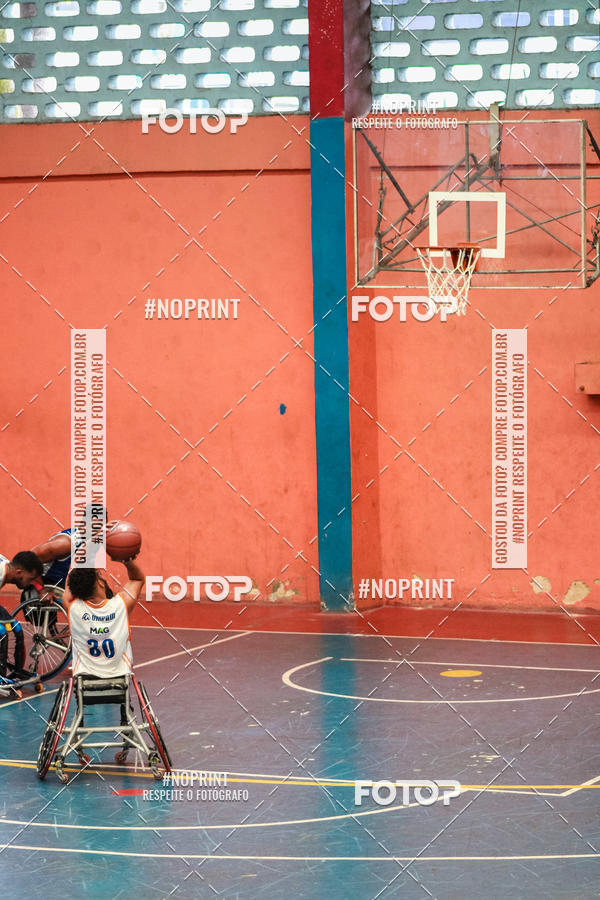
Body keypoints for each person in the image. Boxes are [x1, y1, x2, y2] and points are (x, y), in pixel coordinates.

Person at [62, 557, 144, 678]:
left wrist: (82, 553)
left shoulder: (73, 608)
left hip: (85, 678)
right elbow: (137, 579)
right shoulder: (121, 604)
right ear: (100, 583)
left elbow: (69, 588)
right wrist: (127, 558)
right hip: (119, 676)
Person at [0, 551, 44, 699]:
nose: (30, 583)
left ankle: (17, 671)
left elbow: (33, 577)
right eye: (29, 579)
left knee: (16, 628)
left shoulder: (8, 567)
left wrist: (40, 589)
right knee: (1, 632)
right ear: (19, 572)